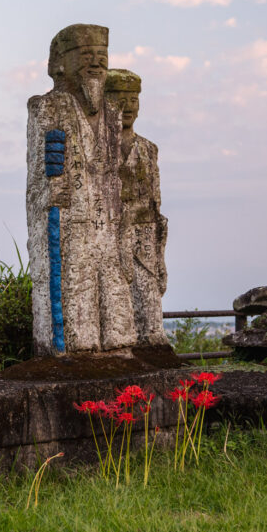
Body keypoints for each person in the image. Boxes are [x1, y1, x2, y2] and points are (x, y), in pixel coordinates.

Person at [26, 24, 135, 355]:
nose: (96, 63)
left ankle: (118, 344)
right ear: (59, 62)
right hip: (69, 216)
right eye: (85, 55)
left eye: (102, 56)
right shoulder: (48, 106)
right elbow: (46, 171)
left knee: (113, 283)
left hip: (108, 217)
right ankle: (75, 348)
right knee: (75, 284)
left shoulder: (112, 115)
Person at [106, 69, 168, 346]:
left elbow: (155, 200)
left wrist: (159, 249)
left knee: (148, 299)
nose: (128, 106)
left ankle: (153, 346)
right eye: (120, 99)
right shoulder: (99, 149)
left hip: (146, 236)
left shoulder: (148, 149)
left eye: (133, 99)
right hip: (111, 235)